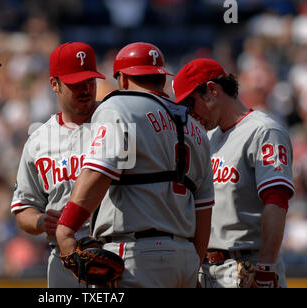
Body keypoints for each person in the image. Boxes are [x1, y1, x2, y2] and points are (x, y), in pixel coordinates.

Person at [55, 42, 215, 288]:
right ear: (161, 78)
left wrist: (65, 229)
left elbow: (98, 172)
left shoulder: (119, 107)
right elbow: (204, 210)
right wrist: (192, 262)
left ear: (123, 79)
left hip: (137, 255)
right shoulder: (196, 128)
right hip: (185, 256)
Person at [172, 58, 295, 288]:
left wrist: (266, 268)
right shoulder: (207, 138)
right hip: (206, 269)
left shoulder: (264, 131)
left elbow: (276, 202)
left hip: (248, 266)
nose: (189, 112)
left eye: (191, 102)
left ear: (211, 90)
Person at [10, 41, 105, 287]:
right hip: (64, 261)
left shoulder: (114, 126)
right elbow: (23, 209)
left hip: (110, 252)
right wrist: (41, 221)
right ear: (54, 84)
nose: (85, 89)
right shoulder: (38, 140)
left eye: (90, 81)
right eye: (76, 84)